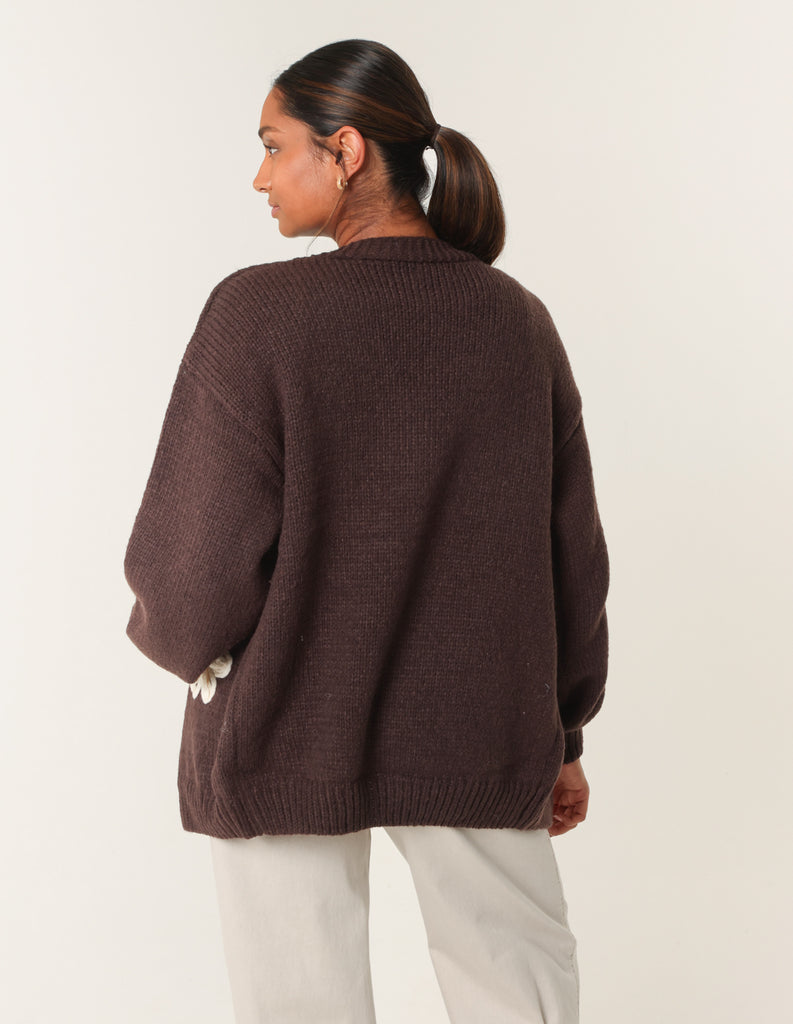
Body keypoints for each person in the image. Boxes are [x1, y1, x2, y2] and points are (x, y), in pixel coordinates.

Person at [123, 38, 609, 1024]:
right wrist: (561, 732)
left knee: (298, 1002)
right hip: (482, 722)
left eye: (274, 146)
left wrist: (183, 642)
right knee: (517, 990)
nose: (259, 176)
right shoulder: (515, 321)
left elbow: (192, 565)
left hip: (285, 717)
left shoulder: (258, 315)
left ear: (344, 151)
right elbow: (572, 556)